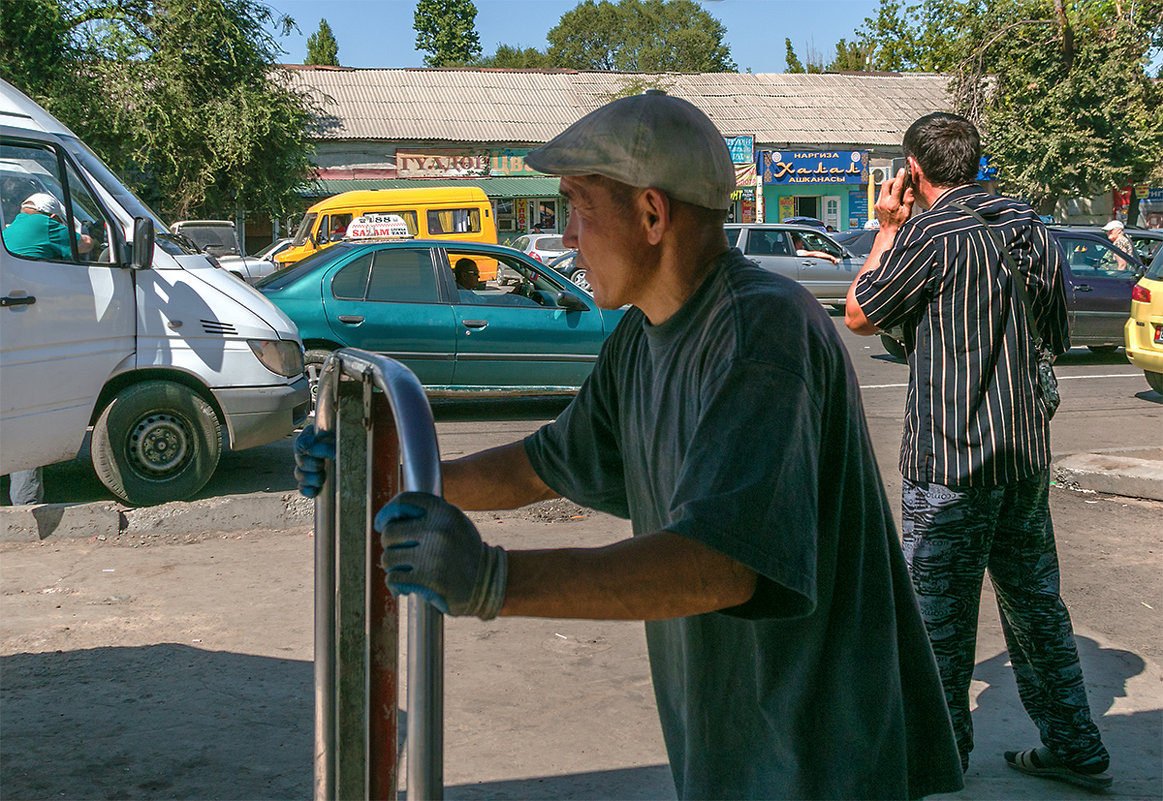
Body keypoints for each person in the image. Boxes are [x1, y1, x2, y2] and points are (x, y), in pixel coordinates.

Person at [297, 93, 964, 799]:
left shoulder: (757, 331)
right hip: (738, 741)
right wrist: (393, 472)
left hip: (819, 750)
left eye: (578, 207)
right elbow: (545, 462)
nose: (568, 239)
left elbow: (722, 561)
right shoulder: (642, 339)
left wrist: (494, 580)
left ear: (651, 214)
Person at [845, 112, 1111, 792]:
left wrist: (884, 225)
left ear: (912, 169)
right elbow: (1054, 334)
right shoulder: (1030, 226)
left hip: (949, 461)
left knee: (936, 619)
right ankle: (1075, 745)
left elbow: (859, 311)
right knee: (1035, 605)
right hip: (1021, 456)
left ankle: (936, 759)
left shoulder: (929, 232)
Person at [2, 192, 92, 260]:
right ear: (53, 217)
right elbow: (87, 243)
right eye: (58, 222)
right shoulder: (43, 222)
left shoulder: (8, 229)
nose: (59, 225)